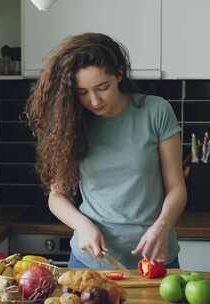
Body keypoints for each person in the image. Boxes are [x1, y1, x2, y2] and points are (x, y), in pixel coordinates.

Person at [24, 33, 187, 269]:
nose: (94, 101)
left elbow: (177, 187)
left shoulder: (155, 111)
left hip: (156, 256)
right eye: (82, 92)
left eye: (103, 87)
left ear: (119, 75)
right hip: (91, 261)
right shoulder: (71, 123)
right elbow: (56, 197)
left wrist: (162, 226)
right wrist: (82, 226)